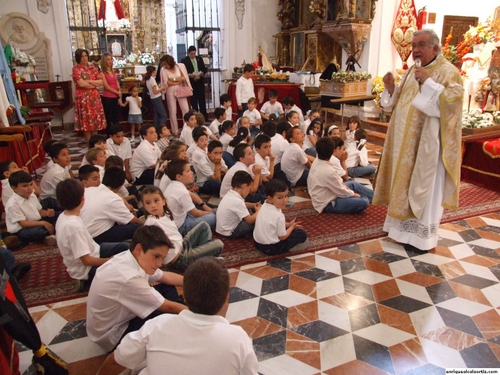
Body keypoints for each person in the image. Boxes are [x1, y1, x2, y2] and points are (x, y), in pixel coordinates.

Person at [373, 29, 463, 253]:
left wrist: (430, 83)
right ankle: (398, 230)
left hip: (426, 146)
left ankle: (421, 238)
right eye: (413, 45)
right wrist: (391, 88)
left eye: (421, 45)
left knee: (423, 187)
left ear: (435, 47)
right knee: (400, 182)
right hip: (403, 142)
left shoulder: (448, 72)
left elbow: (453, 103)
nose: (415, 49)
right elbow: (398, 102)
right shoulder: (413, 70)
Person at [96, 257, 259, 375]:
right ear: (226, 298)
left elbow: (116, 360)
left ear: (185, 297)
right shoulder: (238, 338)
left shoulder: (157, 325)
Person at [86, 225, 187, 352]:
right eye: (156, 256)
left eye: (162, 258)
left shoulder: (131, 257)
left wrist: (192, 282)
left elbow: (165, 277)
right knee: (168, 317)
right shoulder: (129, 277)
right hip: (113, 336)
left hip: (110, 323)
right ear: (139, 248)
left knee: (166, 287)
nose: (160, 263)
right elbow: (168, 306)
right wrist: (198, 316)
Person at [55, 179, 129, 290]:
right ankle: (86, 282)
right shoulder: (73, 226)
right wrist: (110, 260)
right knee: (125, 269)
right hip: (86, 270)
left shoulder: (64, 216)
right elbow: (86, 261)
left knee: (125, 248)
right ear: (83, 199)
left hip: (95, 251)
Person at [142, 186, 223, 270]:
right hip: (180, 258)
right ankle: (203, 261)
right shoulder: (151, 224)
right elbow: (150, 249)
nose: (153, 205)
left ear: (163, 201)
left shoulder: (166, 214)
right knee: (219, 244)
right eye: (148, 203)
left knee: (204, 226)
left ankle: (203, 260)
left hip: (183, 245)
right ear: (144, 206)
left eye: (156, 201)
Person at [308, 137, 373, 214]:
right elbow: (341, 191)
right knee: (364, 202)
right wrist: (355, 194)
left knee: (353, 184)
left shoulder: (317, 161)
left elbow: (340, 185)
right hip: (327, 203)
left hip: (329, 193)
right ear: (333, 151)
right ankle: (369, 198)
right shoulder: (329, 171)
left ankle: (376, 197)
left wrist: (349, 191)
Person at [80, 167, 143, 244]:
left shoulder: (90, 189)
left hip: (82, 233)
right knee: (138, 228)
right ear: (120, 186)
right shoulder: (113, 198)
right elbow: (132, 220)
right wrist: (149, 226)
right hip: (95, 237)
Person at [253, 179, 309, 255]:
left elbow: (273, 223)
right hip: (271, 248)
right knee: (301, 234)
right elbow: (282, 237)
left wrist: (288, 225)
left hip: (257, 243)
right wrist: (291, 227)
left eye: (286, 196)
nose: (285, 200)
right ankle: (292, 248)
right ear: (270, 199)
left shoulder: (265, 205)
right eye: (280, 198)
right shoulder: (278, 216)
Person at [5, 171, 57, 247]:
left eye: (31, 184)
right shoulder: (12, 204)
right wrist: (43, 223)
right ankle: (46, 236)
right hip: (22, 229)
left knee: (58, 216)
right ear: (14, 188)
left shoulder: (31, 195)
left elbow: (39, 211)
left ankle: (46, 236)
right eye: (25, 186)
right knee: (37, 231)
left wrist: (48, 213)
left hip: (36, 222)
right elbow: (23, 223)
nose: (30, 188)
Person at [165, 159, 216, 236]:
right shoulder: (181, 192)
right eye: (188, 171)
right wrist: (210, 213)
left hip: (181, 217)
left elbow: (191, 195)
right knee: (213, 217)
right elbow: (196, 213)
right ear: (179, 176)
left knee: (199, 204)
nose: (192, 173)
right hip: (181, 226)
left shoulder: (173, 185)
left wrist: (203, 205)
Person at [72, 48, 107, 141]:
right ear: (78, 58)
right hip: (83, 97)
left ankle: (95, 142)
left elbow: (101, 82)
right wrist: (93, 83)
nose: (84, 58)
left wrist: (89, 81)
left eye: (86, 56)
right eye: (82, 56)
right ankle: (89, 143)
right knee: (86, 121)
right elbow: (81, 84)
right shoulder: (76, 68)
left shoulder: (93, 68)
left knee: (95, 120)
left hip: (94, 98)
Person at [216, 171, 261, 238]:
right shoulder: (237, 201)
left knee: (249, 213)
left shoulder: (230, 194)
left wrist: (253, 205)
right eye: (249, 188)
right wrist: (258, 211)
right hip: (231, 232)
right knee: (257, 221)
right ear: (245, 186)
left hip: (222, 229)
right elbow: (250, 220)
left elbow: (242, 204)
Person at [160, 54, 192, 136]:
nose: (165, 66)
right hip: (170, 90)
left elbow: (183, 78)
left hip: (180, 89)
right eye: (164, 64)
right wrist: (177, 80)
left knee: (185, 109)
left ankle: (186, 128)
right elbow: (167, 82)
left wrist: (174, 80)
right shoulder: (163, 70)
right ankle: (175, 130)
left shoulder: (180, 66)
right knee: (172, 111)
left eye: (166, 64)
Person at [181, 46, 208, 119]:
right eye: (192, 54)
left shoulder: (199, 59)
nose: (193, 55)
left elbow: (204, 68)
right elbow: (183, 72)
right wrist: (189, 75)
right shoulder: (184, 60)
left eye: (194, 53)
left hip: (199, 82)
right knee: (194, 101)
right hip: (192, 83)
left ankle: (204, 116)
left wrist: (202, 72)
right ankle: (195, 117)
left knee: (202, 100)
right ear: (188, 53)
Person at [99, 53, 121, 136]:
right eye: (108, 59)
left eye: (111, 59)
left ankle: (117, 134)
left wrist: (119, 92)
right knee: (109, 118)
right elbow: (106, 86)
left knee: (116, 118)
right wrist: (116, 92)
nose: (110, 61)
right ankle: (109, 135)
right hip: (108, 97)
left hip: (115, 97)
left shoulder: (113, 71)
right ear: (104, 61)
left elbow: (116, 82)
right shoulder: (102, 73)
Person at [144, 65, 168, 132]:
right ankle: (161, 130)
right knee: (164, 115)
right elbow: (155, 91)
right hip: (156, 97)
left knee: (156, 115)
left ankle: (156, 129)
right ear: (153, 71)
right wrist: (162, 88)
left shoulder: (147, 79)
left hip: (153, 98)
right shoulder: (152, 79)